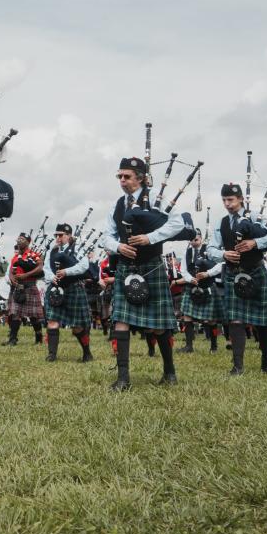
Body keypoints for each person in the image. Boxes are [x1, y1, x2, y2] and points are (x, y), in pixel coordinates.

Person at [101, 156, 184, 390]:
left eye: (127, 176)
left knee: (158, 325)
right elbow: (106, 235)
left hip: (151, 265)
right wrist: (118, 246)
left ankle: (169, 372)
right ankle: (123, 378)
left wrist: (150, 238)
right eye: (120, 176)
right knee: (120, 320)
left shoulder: (157, 198)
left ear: (141, 178)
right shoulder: (118, 204)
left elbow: (178, 223)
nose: (122, 181)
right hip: (126, 267)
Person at [207, 183, 267, 376]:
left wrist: (255, 243)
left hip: (255, 272)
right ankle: (238, 366)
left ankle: (266, 363)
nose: (227, 204)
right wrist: (224, 255)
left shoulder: (257, 217)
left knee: (263, 322)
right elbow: (211, 249)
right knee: (235, 320)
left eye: (231, 200)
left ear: (241, 199)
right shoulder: (221, 223)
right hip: (233, 274)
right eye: (224, 200)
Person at [43, 224, 92, 362]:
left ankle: (87, 353)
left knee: (77, 326)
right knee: (52, 321)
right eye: (56, 235)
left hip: (73, 287)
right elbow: (46, 268)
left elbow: (83, 266)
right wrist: (51, 277)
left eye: (61, 235)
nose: (58, 238)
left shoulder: (78, 247)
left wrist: (66, 272)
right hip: (56, 288)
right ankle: (52, 355)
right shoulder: (52, 250)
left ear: (69, 235)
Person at [3, 233, 45, 346]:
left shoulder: (33, 255)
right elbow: (11, 270)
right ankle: (12, 339)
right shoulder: (15, 257)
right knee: (15, 313)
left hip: (30, 286)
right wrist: (12, 279)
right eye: (18, 239)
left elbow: (40, 268)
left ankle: (39, 337)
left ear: (28, 242)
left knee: (33, 316)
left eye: (22, 239)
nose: (19, 241)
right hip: (18, 288)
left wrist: (26, 275)